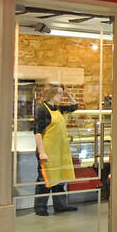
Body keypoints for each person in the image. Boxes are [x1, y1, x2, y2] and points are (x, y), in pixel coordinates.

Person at [34, 83, 79, 215]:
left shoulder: (58, 108)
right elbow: (37, 133)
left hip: (59, 150)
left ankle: (60, 205)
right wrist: (41, 153)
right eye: (59, 93)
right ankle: (40, 208)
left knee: (59, 178)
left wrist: (68, 93)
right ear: (51, 94)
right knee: (45, 180)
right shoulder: (42, 110)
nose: (61, 96)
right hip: (47, 151)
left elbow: (75, 106)